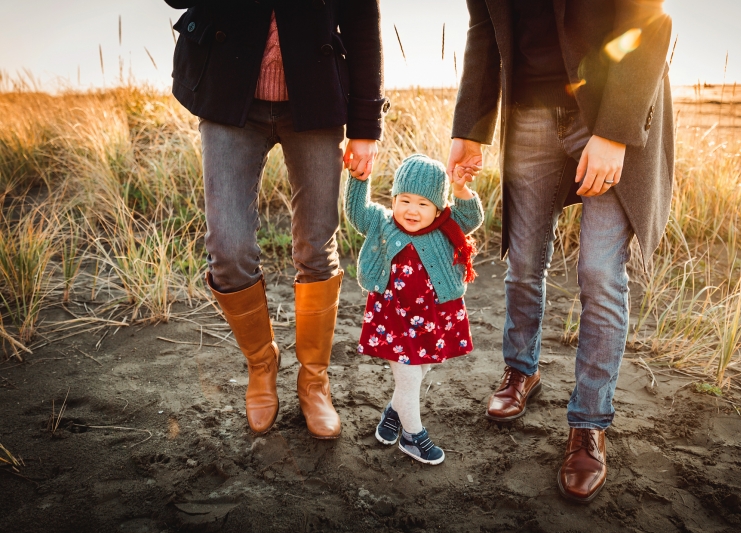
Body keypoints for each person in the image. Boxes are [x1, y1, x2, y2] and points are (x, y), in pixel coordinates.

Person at [447, 0, 674, 502]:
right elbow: (484, 30)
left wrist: (614, 132)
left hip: (609, 113)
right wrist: (469, 128)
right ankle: (521, 370)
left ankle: (589, 424)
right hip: (528, 112)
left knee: (598, 271)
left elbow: (649, 21)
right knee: (524, 261)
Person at [165, 0, 388, 438]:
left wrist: (365, 126)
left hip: (317, 97)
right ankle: (262, 364)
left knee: (316, 248)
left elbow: (363, 22)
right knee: (227, 251)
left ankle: (314, 381)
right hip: (230, 95)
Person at [343, 154, 484, 464]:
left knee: (420, 369)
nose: (411, 210)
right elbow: (356, 213)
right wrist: (359, 178)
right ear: (394, 199)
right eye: (404, 200)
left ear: (438, 208)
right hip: (393, 315)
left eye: (423, 204)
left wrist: (460, 188)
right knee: (408, 377)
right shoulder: (382, 222)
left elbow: (471, 218)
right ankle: (412, 436)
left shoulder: (446, 226)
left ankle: (393, 413)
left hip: (432, 316)